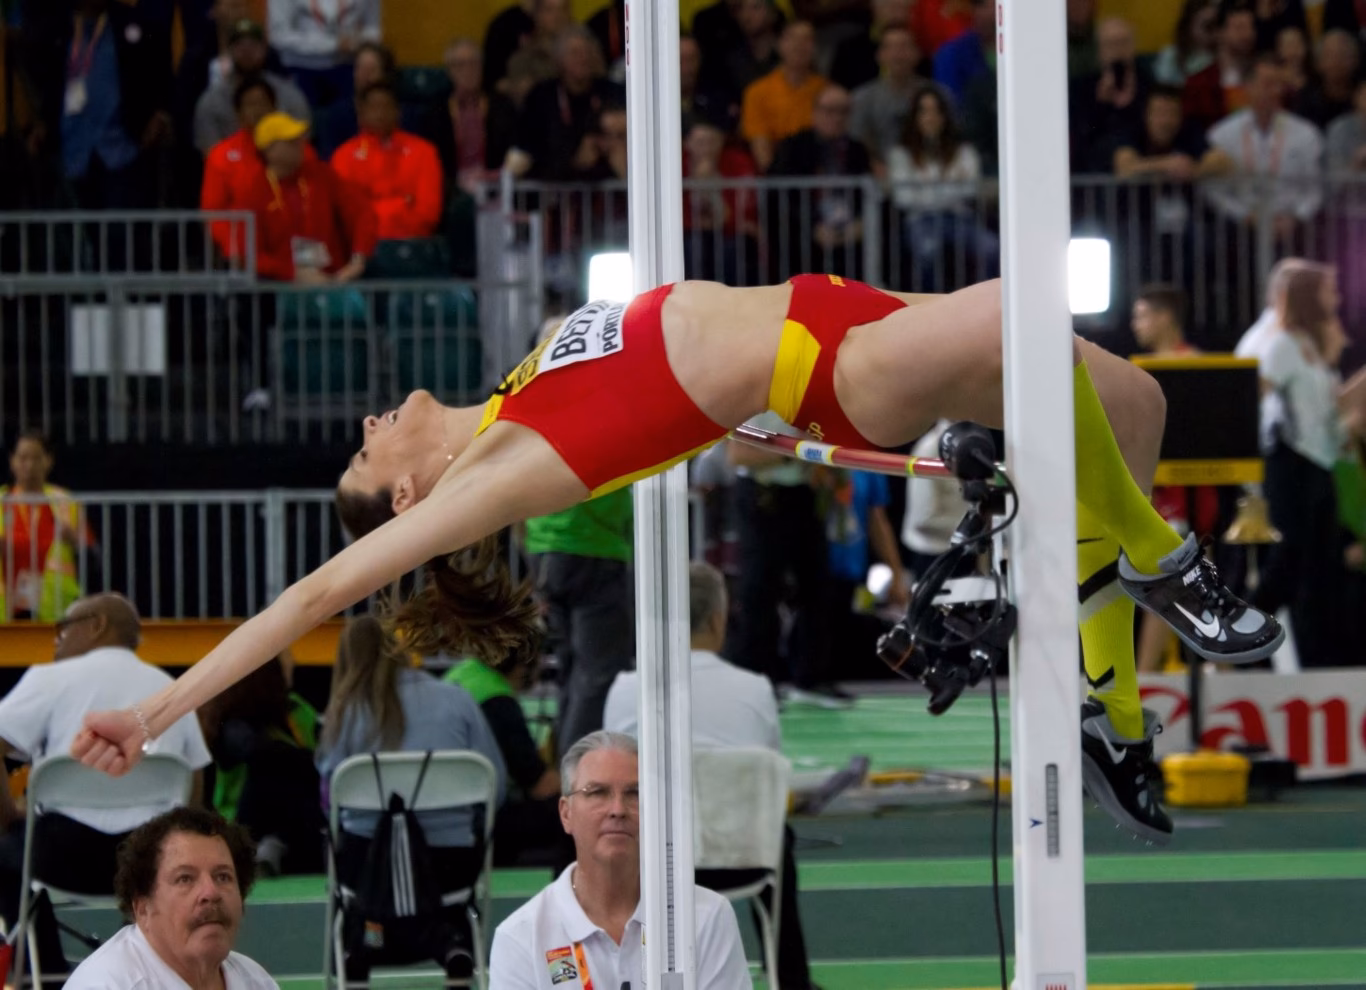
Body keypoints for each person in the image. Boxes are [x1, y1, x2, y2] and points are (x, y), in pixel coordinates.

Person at [71, 274, 1288, 850]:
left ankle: (1111, 710)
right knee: (1033, 310)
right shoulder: (498, 472)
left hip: (845, 307)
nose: (370, 420)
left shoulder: (521, 373)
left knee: (1128, 407)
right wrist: (156, 701)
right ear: (403, 493)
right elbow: (315, 596)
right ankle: (1158, 556)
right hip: (834, 368)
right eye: (365, 453)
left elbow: (668, 391)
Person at [603, 562, 816, 988]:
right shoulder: (755, 689)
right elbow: (767, 781)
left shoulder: (627, 688)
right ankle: (790, 977)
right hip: (741, 859)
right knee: (779, 837)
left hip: (648, 867)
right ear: (719, 620)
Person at [0, 593, 212, 975]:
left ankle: (44, 970)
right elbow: (193, 788)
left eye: (62, 630)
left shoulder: (48, 679)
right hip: (151, 861)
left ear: (96, 625)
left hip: (54, 856)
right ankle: (137, 971)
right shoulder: (169, 689)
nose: (56, 641)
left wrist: (9, 818)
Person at [316, 614, 508, 980]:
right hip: (451, 869)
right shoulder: (457, 699)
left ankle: (358, 948)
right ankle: (451, 942)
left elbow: (329, 803)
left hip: (366, 871)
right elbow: (495, 787)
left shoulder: (344, 715)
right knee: (449, 903)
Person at [487, 731, 750, 989]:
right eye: (597, 792)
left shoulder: (706, 917)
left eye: (634, 793)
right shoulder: (522, 938)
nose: (617, 810)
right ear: (566, 814)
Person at [63, 806, 278, 990]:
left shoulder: (255, 981)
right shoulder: (107, 985)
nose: (211, 893)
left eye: (223, 876)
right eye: (185, 879)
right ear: (143, 908)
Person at [1128, 285, 1220, 672]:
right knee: (1199, 590)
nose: (1135, 324)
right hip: (1160, 490)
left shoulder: (1191, 365)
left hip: (1186, 495)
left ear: (1165, 316)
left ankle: (1145, 679)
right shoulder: (1141, 371)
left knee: (1174, 589)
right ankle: (1225, 671)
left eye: (1142, 315)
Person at [0, 429, 93, 621]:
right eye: (23, 458)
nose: (30, 465)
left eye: (36, 458)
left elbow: (91, 549)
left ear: (49, 461)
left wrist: (74, 538)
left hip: (53, 604)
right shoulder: (2, 500)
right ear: (12, 461)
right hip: (6, 604)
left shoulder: (65, 500)